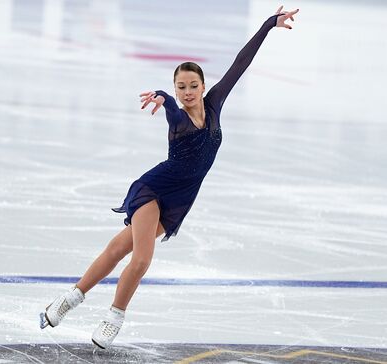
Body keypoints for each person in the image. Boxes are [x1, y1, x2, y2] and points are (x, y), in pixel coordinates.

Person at [40, 5, 300, 349]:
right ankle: (113, 317)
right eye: (181, 87)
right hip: (154, 190)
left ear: (204, 86)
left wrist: (269, 24)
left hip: (180, 200)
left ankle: (69, 300)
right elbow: (168, 105)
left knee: (119, 247)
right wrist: (162, 97)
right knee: (142, 259)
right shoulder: (177, 118)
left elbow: (240, 63)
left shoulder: (215, 103)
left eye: (193, 85)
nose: (188, 91)